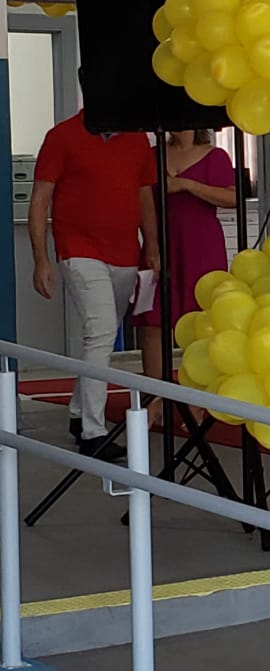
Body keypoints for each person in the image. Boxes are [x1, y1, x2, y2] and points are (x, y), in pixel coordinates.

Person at [30, 88, 160, 461]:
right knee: (101, 332)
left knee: (100, 334)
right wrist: (41, 260)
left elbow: (144, 197)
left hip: (125, 253)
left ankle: (77, 412)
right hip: (79, 249)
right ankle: (93, 431)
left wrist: (151, 246)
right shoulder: (62, 136)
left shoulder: (138, 140)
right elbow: (41, 199)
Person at [134, 129, 236, 427]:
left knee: (200, 323)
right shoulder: (152, 156)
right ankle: (154, 400)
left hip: (201, 246)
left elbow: (232, 197)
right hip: (159, 244)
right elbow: (141, 200)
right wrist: (151, 244)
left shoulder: (215, 156)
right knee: (152, 322)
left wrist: (187, 185)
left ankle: (197, 400)